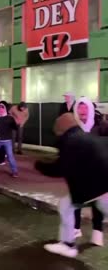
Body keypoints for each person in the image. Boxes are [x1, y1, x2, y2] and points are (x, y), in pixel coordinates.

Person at [36, 113, 108, 258]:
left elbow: (61, 168)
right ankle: (70, 243)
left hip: (92, 185)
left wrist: (40, 165)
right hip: (103, 183)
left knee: (65, 206)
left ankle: (68, 245)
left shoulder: (69, 141)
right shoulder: (85, 136)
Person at [72, 97, 104, 246]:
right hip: (79, 171)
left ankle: (98, 231)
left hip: (97, 171)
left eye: (85, 108)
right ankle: (76, 228)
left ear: (90, 109)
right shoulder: (73, 128)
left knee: (97, 202)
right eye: (80, 107)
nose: (82, 111)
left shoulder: (100, 127)